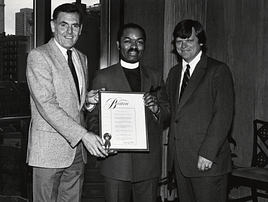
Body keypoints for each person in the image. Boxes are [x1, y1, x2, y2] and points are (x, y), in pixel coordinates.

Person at [26, 3, 108, 202]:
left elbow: (73, 101)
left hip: (77, 154)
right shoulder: (39, 56)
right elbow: (46, 104)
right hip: (48, 151)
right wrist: (84, 135)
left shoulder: (81, 58)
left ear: (80, 29)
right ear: (53, 26)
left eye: (75, 26)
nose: (69, 31)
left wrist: (88, 101)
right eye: (64, 25)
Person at [86, 23, 170, 202]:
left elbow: (167, 112)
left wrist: (156, 109)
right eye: (128, 41)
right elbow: (93, 117)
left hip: (148, 163)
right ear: (118, 45)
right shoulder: (103, 76)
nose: (134, 46)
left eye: (139, 42)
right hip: (116, 163)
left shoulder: (155, 76)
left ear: (144, 46)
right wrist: (102, 139)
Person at [166, 19, 234, 202]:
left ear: (201, 42)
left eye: (189, 40)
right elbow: (170, 112)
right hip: (181, 161)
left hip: (207, 161)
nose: (183, 45)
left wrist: (208, 152)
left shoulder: (218, 70)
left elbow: (223, 114)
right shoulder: (173, 73)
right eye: (179, 41)